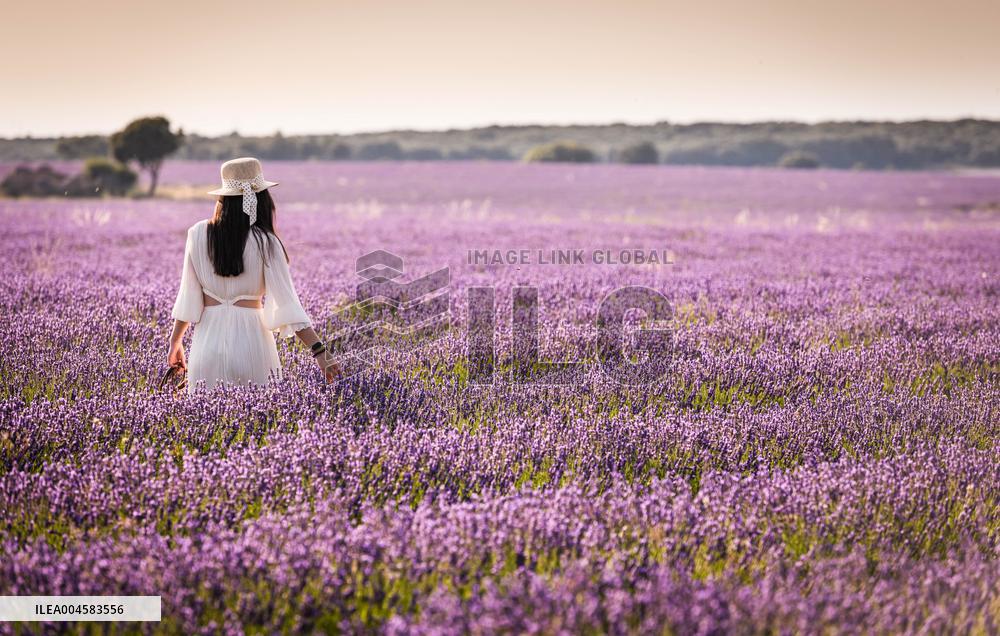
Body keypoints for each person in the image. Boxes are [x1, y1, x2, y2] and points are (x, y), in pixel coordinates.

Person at [167, 157, 338, 392]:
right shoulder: (266, 242)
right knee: (258, 419)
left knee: (207, 416)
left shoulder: (197, 233)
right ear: (260, 198)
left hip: (207, 341)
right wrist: (319, 350)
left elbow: (188, 295)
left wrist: (175, 342)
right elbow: (289, 306)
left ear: (223, 198)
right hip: (252, 341)